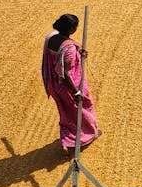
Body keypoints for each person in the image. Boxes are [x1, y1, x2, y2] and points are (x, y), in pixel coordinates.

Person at [41, 14, 100, 155]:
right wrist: (76, 92)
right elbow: (65, 73)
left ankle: (66, 142)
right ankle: (82, 139)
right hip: (68, 86)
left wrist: (80, 52)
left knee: (66, 114)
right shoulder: (69, 49)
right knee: (82, 109)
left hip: (54, 85)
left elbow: (62, 49)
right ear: (72, 29)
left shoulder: (51, 38)